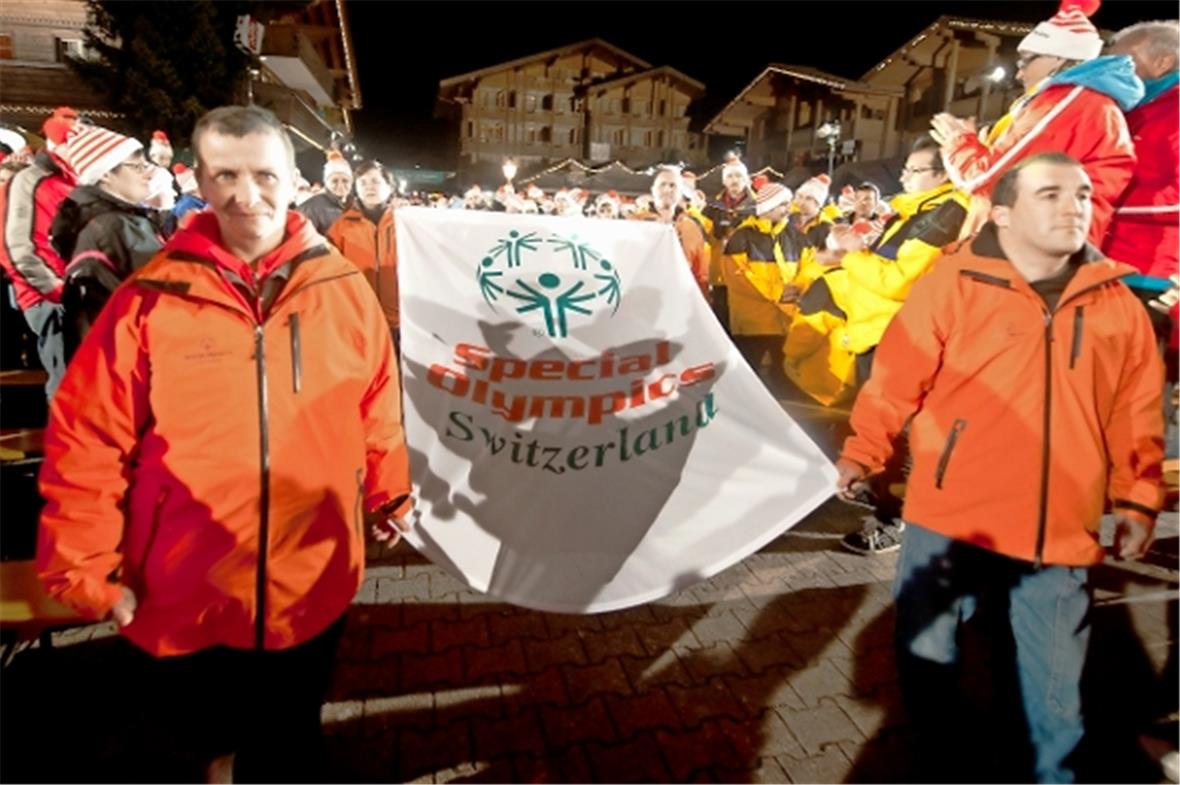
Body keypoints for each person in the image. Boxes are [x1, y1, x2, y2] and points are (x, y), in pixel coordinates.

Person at [36, 105, 412, 782]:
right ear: (199, 184)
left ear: (294, 181)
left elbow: (377, 403)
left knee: (290, 737)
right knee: (191, 746)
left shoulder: (342, 290)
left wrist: (390, 489)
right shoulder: (150, 297)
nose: (248, 194)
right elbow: (88, 435)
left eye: (265, 174)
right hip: (188, 580)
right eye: (226, 175)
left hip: (310, 577)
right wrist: (85, 565)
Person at [835, 153, 1165, 783]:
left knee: (1052, 694)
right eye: (1050, 194)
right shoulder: (952, 282)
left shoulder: (1115, 303)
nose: (1074, 206)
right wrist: (863, 451)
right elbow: (895, 379)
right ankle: (941, 763)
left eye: (1083, 193)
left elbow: (1137, 410)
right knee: (929, 661)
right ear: (1005, 214)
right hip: (948, 516)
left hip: (1059, 527)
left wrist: (1137, 498)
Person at [930, 0, 1141, 246]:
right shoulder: (1080, 102)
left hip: (1025, 255)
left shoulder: (1066, 102)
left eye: (1026, 60)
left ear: (1059, 57)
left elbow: (985, 178)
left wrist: (957, 142)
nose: (1019, 73)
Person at [49, 124, 161, 358]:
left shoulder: (118, 221)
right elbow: (165, 287)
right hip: (128, 353)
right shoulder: (110, 227)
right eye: (137, 166)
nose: (147, 173)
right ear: (107, 174)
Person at [1104, 21, 1179, 357]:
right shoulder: (1130, 107)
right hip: (1106, 265)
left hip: (1151, 280)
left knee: (1135, 392)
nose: (1113, 69)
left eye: (1124, 60)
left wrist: (1104, 201)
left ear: (1163, 62)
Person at [0, 106, 79, 397]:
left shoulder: (72, 182)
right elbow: (15, 248)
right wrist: (55, 289)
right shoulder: (28, 183)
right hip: (50, 296)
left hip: (74, 292)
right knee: (68, 384)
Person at [720, 181, 816, 395]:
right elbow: (737, 276)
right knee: (746, 378)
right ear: (768, 208)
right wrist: (778, 292)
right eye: (783, 204)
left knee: (785, 378)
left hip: (786, 319)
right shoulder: (742, 236)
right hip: (753, 322)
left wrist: (798, 287)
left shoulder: (797, 237)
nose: (789, 208)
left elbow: (810, 266)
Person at [326, 159, 400, 342]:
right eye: (363, 182)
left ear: (389, 187)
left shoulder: (404, 224)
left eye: (375, 181)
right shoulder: (341, 227)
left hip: (400, 320)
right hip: (358, 317)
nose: (369, 187)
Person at [631, 165, 710, 297]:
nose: (667, 189)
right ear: (653, 190)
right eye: (662, 185)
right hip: (643, 298)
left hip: (681, 298)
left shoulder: (691, 227)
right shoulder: (636, 224)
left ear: (680, 192)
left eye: (673, 185)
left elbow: (701, 272)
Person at [703, 158, 757, 332]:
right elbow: (703, 234)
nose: (734, 180)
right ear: (724, 181)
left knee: (744, 320)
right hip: (720, 272)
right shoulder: (712, 206)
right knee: (720, 319)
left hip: (747, 273)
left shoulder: (758, 206)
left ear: (747, 179)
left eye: (739, 176)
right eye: (730, 176)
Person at [297, 150, 353, 234]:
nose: (340, 185)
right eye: (334, 181)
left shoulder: (356, 207)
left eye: (345, 181)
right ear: (326, 182)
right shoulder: (311, 208)